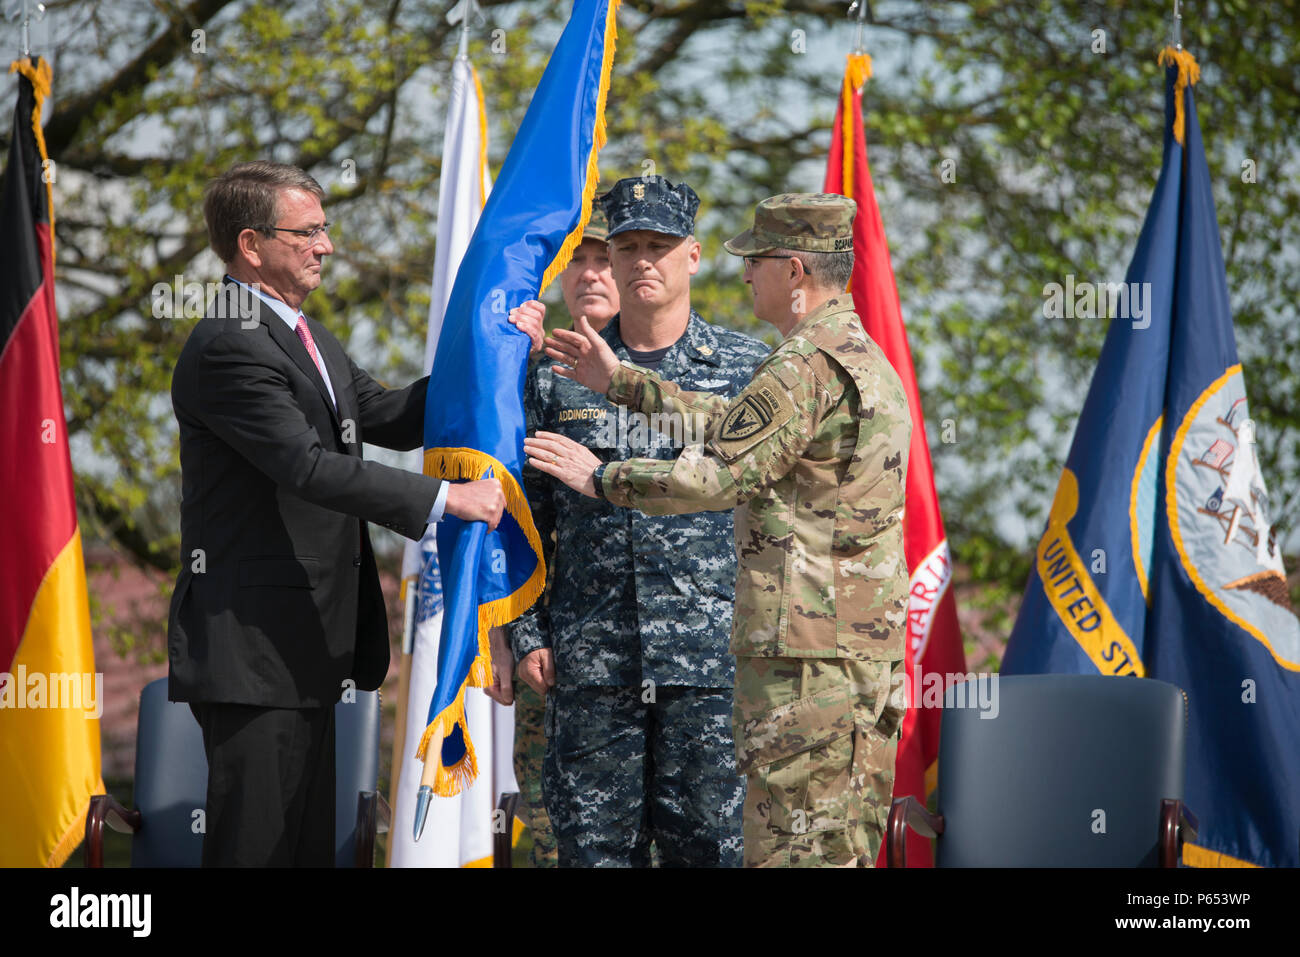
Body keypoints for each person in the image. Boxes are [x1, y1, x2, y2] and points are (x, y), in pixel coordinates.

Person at [167, 161, 541, 866]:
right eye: (307, 232)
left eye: (325, 229)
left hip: (308, 647)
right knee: (256, 851)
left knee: (308, 850)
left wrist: (502, 359)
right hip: (254, 652)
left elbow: (386, 416)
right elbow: (306, 465)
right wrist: (443, 499)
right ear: (252, 244)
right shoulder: (230, 343)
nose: (326, 246)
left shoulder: (300, 332)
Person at [525, 193, 911, 867]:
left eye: (757, 261)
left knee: (794, 855)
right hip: (844, 661)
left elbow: (720, 474)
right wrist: (629, 385)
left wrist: (603, 479)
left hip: (807, 669)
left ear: (794, 270)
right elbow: (736, 423)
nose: (745, 276)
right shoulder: (853, 355)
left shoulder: (802, 366)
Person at [505, 176, 769, 867]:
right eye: (629, 247)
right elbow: (525, 515)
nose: (643, 260)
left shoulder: (747, 369)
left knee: (713, 850)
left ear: (694, 255)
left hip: (711, 663)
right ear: (610, 260)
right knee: (593, 854)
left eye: (660, 245)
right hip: (592, 662)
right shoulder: (555, 372)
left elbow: (774, 506)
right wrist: (526, 630)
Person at [506, 205, 620, 868]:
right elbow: (513, 512)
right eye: (576, 258)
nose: (590, 272)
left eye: (603, 257)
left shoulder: (670, 377)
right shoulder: (533, 374)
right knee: (556, 839)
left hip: (657, 660)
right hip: (559, 653)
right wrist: (522, 633)